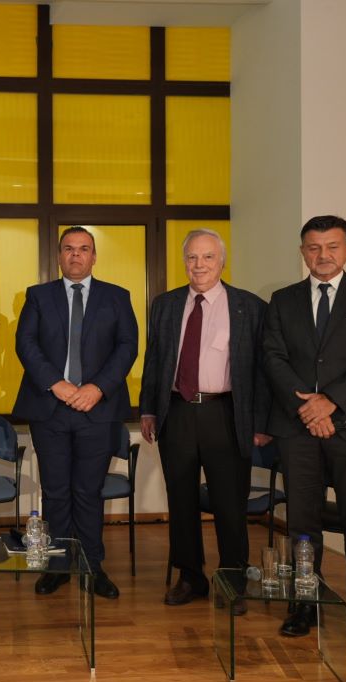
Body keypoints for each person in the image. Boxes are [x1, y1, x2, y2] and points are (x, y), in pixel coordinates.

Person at [264, 215, 346, 654]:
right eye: (314, 247)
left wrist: (331, 402)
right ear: (303, 251)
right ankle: (305, 603)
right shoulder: (282, 300)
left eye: (332, 246)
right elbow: (273, 358)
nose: (323, 255)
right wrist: (309, 409)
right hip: (297, 428)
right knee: (302, 524)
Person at [139, 229, 271, 607]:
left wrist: (261, 422)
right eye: (192, 257)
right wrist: (148, 408)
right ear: (185, 261)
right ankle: (190, 577)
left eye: (208, 257)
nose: (199, 265)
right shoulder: (165, 304)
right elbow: (154, 359)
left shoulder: (249, 306)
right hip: (176, 411)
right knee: (181, 499)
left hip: (226, 412)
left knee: (230, 501)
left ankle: (232, 579)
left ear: (222, 261)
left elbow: (262, 370)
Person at [13, 226, 138, 599]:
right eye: (69, 248)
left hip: (97, 409)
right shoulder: (38, 296)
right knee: (55, 491)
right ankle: (57, 567)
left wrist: (96, 388)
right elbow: (26, 344)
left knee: (88, 491)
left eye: (84, 249)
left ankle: (92, 566)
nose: (76, 255)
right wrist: (57, 384)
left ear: (94, 256)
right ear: (59, 255)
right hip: (50, 408)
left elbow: (127, 347)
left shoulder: (117, 297)